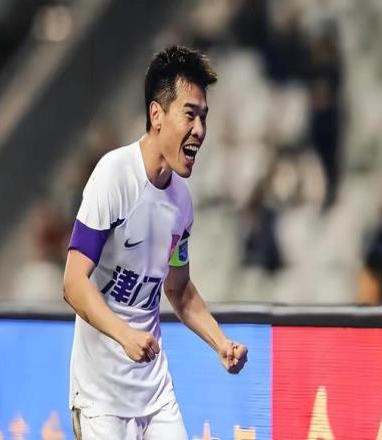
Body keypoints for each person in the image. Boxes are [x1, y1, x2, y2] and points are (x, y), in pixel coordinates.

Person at [63, 45, 248, 440]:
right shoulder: (114, 175)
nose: (200, 130)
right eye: (190, 114)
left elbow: (178, 289)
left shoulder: (182, 203)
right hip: (100, 398)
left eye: (204, 117)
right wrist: (125, 335)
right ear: (156, 115)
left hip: (155, 394)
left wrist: (220, 342)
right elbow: (74, 283)